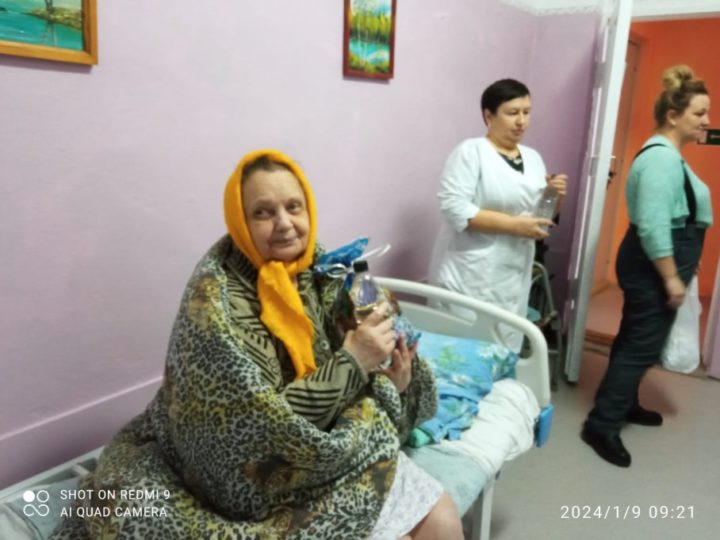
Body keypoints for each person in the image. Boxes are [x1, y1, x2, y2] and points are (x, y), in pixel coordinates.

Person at [51, 149, 463, 539]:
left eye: (293, 207)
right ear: (240, 222)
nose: (284, 223)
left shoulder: (322, 271)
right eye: (263, 212)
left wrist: (394, 379)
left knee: (443, 519)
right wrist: (354, 361)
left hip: (331, 441)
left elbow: (373, 355)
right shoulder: (214, 305)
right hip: (242, 471)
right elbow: (255, 434)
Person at [582, 65, 713, 468]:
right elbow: (655, 227)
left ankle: (625, 403)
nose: (707, 121)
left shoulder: (669, 157)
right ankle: (602, 425)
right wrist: (672, 277)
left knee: (635, 338)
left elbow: (676, 217)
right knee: (641, 346)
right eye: (699, 113)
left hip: (655, 263)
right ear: (673, 116)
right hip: (652, 268)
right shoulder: (660, 161)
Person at [428, 78, 568, 350]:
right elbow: (455, 208)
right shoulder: (471, 152)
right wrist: (515, 226)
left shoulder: (533, 158)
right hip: (471, 273)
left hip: (514, 274)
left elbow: (540, 217)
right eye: (512, 113)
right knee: (463, 351)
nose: (521, 121)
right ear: (488, 116)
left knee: (504, 348)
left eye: (526, 112)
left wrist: (555, 196)